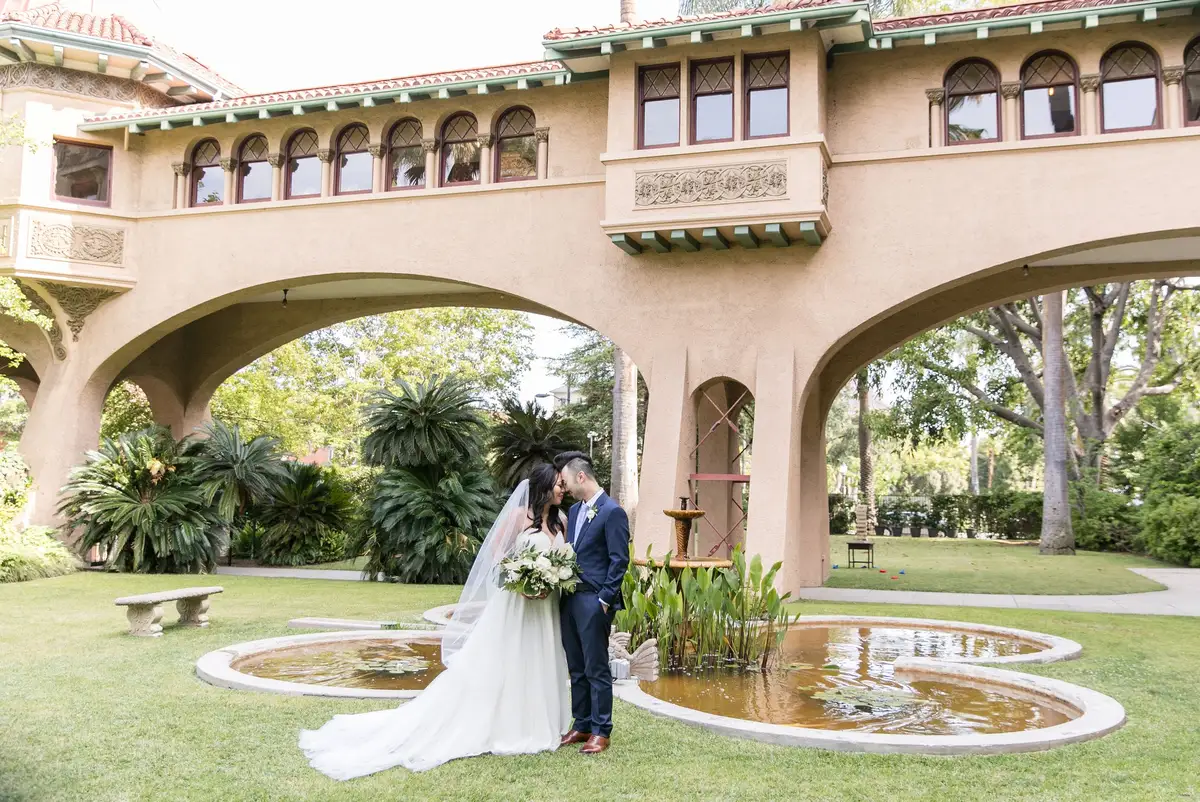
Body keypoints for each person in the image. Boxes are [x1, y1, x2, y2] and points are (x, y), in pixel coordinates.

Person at [298, 464, 571, 778]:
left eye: (563, 485)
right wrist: (522, 581)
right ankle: (507, 724)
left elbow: (563, 559)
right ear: (543, 486)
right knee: (507, 660)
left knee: (538, 658)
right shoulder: (518, 516)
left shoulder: (561, 521)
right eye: (558, 484)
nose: (562, 490)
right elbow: (498, 557)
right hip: (517, 604)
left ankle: (537, 722)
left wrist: (552, 579)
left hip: (546, 607)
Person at [554, 451, 630, 755]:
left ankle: (601, 730)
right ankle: (582, 723)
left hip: (594, 600)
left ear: (581, 476)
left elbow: (619, 560)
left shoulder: (613, 512)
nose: (565, 486)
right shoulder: (574, 511)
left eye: (566, 480)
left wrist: (604, 600)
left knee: (596, 666)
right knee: (577, 665)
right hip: (570, 598)